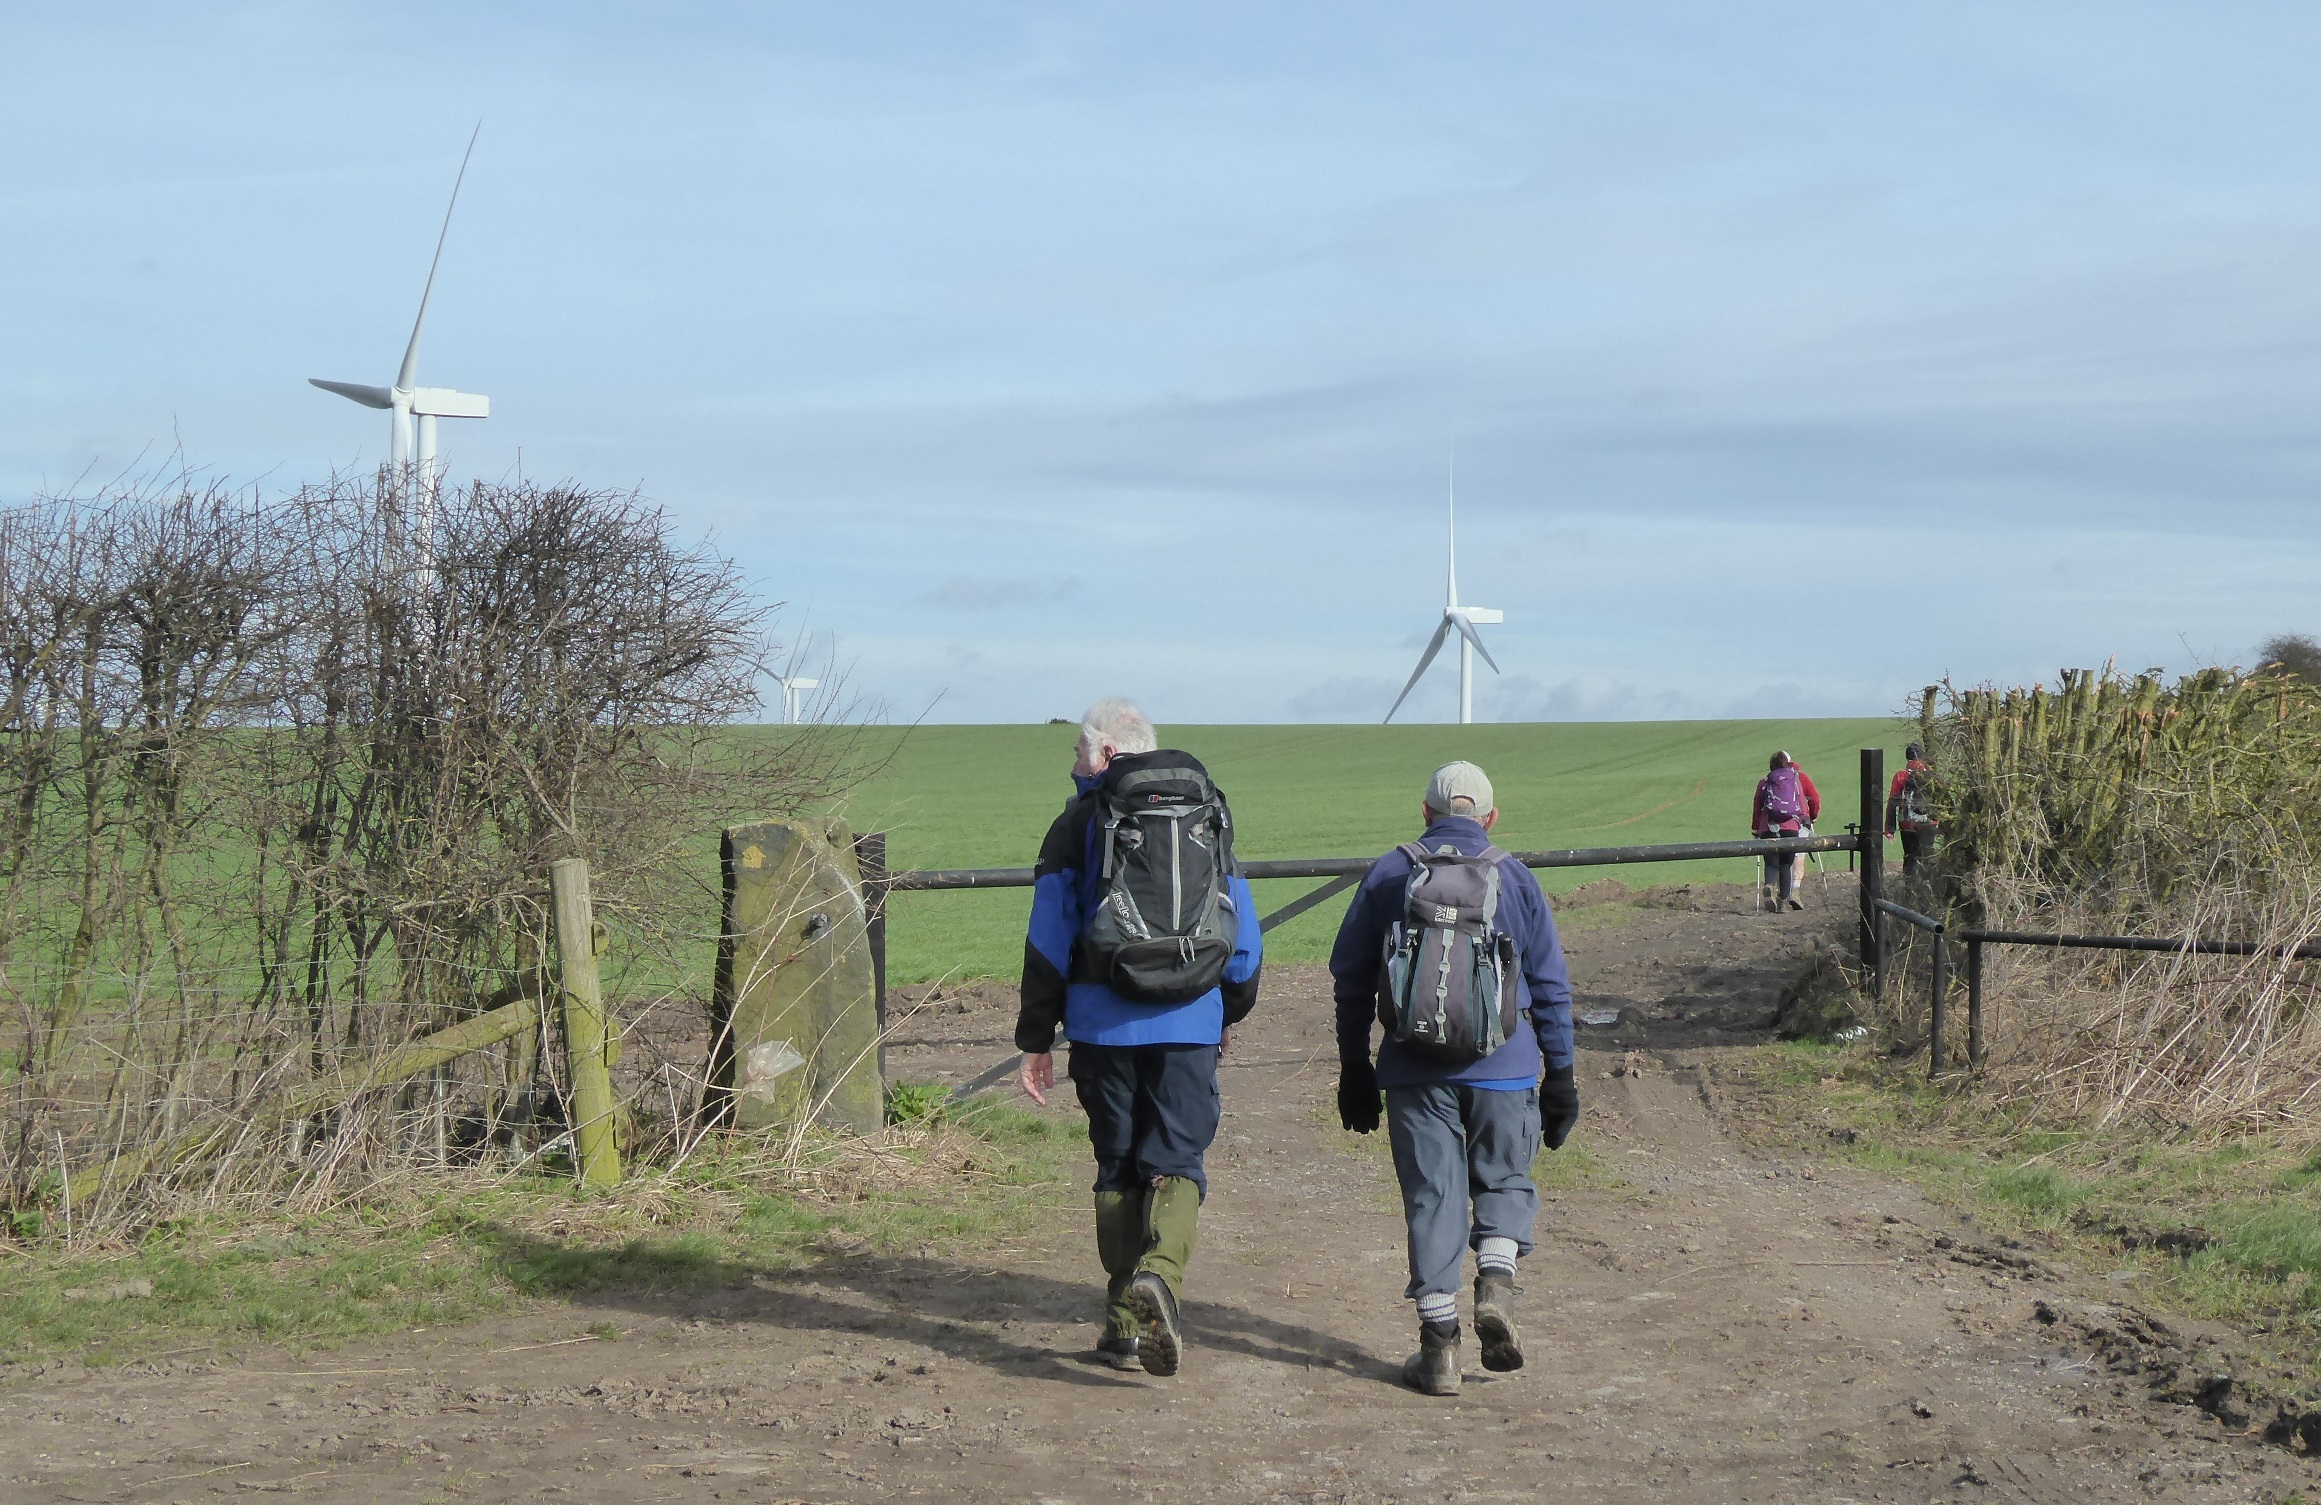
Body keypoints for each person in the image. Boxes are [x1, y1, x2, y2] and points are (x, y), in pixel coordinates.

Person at [1015, 698, 1263, 1377]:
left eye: (1076, 752)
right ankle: (1161, 1273)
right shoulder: (1205, 816)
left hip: (1101, 1023)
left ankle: (1123, 1322)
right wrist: (1223, 1011)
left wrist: (1036, 1036)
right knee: (1177, 1160)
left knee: (1117, 1163)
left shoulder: (1075, 825)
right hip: (1191, 1019)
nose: (1072, 764)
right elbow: (1241, 930)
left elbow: (1047, 937)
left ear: (1105, 755)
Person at [1329, 761, 1578, 1397]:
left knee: (1432, 1196)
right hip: (1505, 1067)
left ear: (1426, 812)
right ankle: (1495, 1281)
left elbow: (1352, 979)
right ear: (1490, 818)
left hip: (1413, 1069)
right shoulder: (1514, 877)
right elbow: (1548, 984)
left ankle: (1439, 1352)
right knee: (1503, 1179)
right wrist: (1561, 1074)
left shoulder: (1390, 873)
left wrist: (1355, 1064)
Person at [1752, 751, 1820, 911]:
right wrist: (1806, 819)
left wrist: (1755, 828)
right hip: (1791, 827)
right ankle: (1782, 901)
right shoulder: (1795, 781)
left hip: (1768, 827)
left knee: (1771, 864)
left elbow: (1757, 807)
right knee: (1786, 863)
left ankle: (1769, 885)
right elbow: (1804, 803)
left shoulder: (1764, 782)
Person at [1885, 742, 1938, 877]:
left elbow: (1892, 802)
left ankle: (1909, 893)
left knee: (1910, 858)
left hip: (1907, 823)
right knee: (1926, 859)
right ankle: (1926, 892)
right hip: (1928, 823)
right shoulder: (1931, 775)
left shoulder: (1901, 775)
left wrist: (1889, 829)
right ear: (1921, 757)